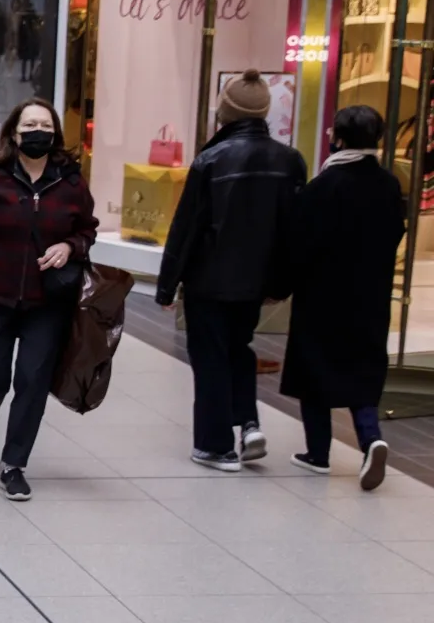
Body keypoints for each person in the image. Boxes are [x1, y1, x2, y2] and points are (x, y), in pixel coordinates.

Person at [0, 100, 97, 502]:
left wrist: (69, 245)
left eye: (46, 124)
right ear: (14, 132)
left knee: (32, 380)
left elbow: (87, 230)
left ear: (55, 133)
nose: (38, 130)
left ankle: (14, 464)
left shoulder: (71, 182)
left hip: (48, 301)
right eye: (30, 124)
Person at [156, 69, 309, 471]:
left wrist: (167, 286)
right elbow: (292, 230)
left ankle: (216, 445)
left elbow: (186, 228)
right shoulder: (291, 161)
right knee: (239, 349)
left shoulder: (210, 160)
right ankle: (250, 424)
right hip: (256, 283)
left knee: (210, 358)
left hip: (209, 280)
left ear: (225, 112)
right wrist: (282, 282)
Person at [283, 104, 399, 488]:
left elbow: (300, 243)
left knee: (315, 370)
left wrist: (280, 287)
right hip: (370, 296)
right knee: (361, 371)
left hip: (323, 297)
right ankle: (371, 438)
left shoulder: (324, 186)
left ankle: (318, 453)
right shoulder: (388, 184)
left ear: (339, 138)